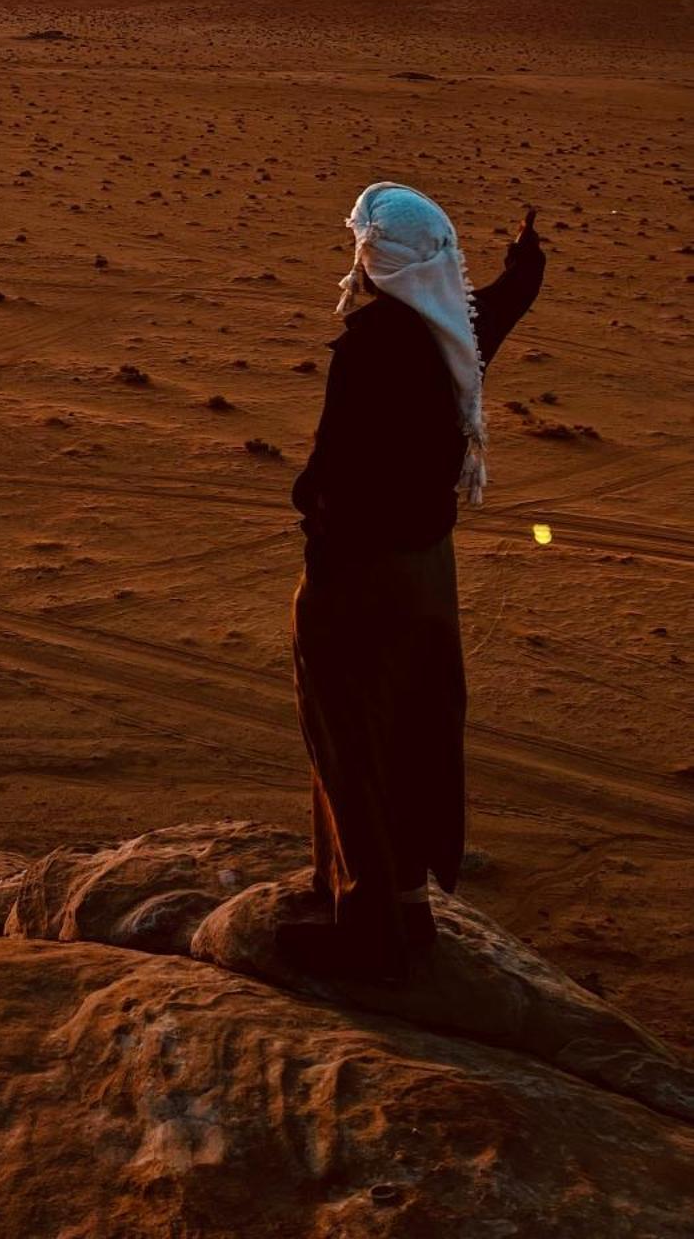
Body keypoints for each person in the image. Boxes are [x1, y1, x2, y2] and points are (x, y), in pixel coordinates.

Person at [278, 182, 545, 984]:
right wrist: (524, 263)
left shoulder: (371, 347)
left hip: (361, 579)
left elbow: (330, 472)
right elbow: (506, 301)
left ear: (373, 260)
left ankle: (367, 930)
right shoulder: (456, 331)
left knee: (348, 735)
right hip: (428, 577)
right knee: (410, 733)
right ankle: (398, 903)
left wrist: (312, 519)